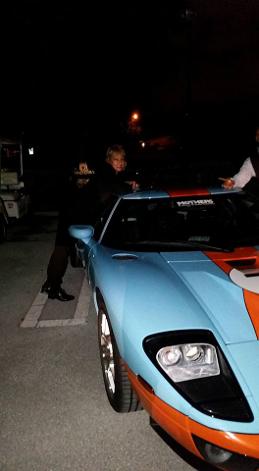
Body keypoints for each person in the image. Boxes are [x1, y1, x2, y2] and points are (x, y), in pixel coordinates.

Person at [41, 161, 95, 301]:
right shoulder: (80, 188)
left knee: (59, 253)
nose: (84, 177)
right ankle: (54, 289)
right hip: (70, 224)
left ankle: (49, 284)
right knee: (60, 255)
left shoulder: (70, 185)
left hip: (66, 223)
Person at [95, 144, 139, 208]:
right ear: (109, 160)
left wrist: (128, 184)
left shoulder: (117, 174)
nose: (120, 162)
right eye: (116, 159)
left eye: (122, 159)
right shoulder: (106, 173)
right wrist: (131, 187)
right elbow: (119, 190)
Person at [220, 124, 259, 195]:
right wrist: (232, 182)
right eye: (257, 135)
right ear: (257, 138)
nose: (257, 137)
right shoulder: (252, 161)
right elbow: (240, 179)